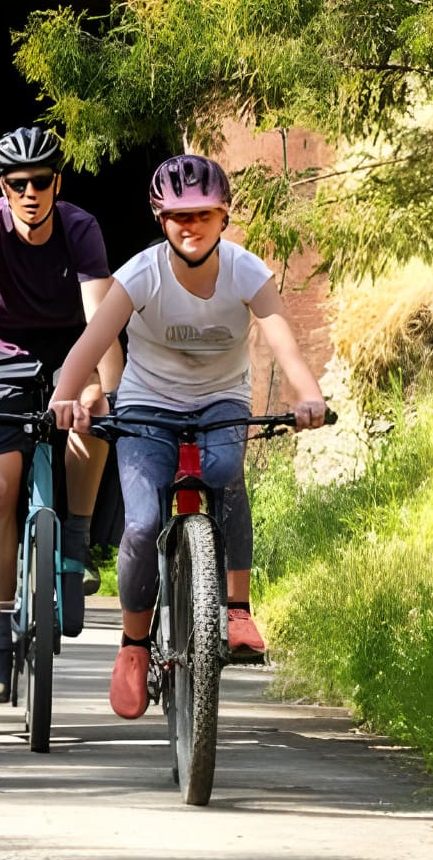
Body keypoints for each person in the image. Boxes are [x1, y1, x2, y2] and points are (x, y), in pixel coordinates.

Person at [48, 152, 328, 719]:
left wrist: (306, 395)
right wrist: (64, 397)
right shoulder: (141, 274)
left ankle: (237, 608)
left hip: (221, 399)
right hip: (149, 402)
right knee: (144, 520)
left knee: (225, 473)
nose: (190, 225)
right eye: (178, 216)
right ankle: (132, 648)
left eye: (203, 214)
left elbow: (284, 344)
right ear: (160, 219)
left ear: (224, 216)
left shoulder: (246, 272)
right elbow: (91, 341)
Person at [0, 125, 117, 704]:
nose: (29, 193)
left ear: (56, 184)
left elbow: (102, 321)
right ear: (4, 187)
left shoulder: (80, 228)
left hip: (73, 352)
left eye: (40, 182)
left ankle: (75, 538)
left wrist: (111, 396)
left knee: (93, 408)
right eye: (17, 184)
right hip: (4, 360)